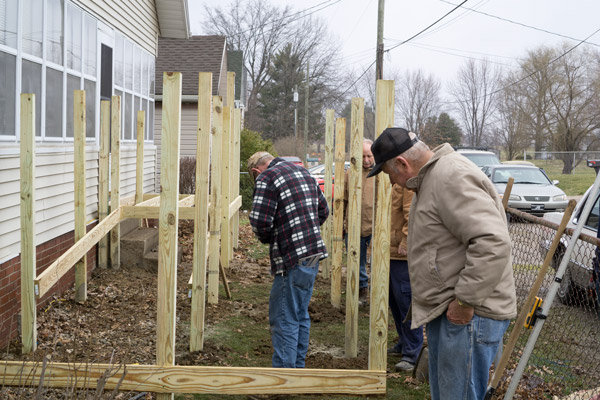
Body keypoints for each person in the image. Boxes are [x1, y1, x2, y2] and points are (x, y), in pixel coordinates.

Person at [367, 128, 517, 399]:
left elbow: (492, 243)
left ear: (402, 163)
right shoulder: (434, 177)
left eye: (389, 174)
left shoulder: (451, 177)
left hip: (469, 316)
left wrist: (465, 301)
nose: (392, 182)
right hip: (454, 313)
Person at [247, 151, 329, 368]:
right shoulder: (303, 172)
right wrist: (303, 228)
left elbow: (259, 221)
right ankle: (297, 372)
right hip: (312, 254)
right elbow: (323, 210)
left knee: (283, 317)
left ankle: (283, 378)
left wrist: (270, 236)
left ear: (257, 171)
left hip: (291, 258)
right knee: (299, 313)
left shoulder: (267, 177)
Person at [387, 183, 423, 372]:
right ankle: (403, 342)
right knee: (394, 301)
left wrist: (406, 240)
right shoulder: (391, 182)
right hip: (390, 252)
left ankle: (412, 352)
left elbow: (412, 214)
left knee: (406, 302)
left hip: (402, 254)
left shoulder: (406, 185)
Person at [343, 139, 376, 304]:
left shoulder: (380, 174)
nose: (366, 160)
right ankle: (362, 289)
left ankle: (379, 291)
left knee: (376, 260)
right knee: (357, 260)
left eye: (369, 155)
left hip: (375, 226)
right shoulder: (350, 174)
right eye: (362, 156)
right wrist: (342, 224)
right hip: (354, 226)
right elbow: (343, 199)